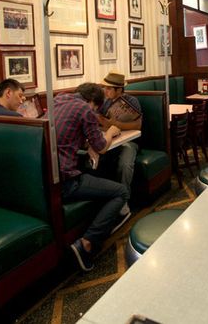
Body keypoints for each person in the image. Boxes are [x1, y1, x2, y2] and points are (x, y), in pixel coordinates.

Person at [54, 82, 129, 272]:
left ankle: (100, 222)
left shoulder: (57, 100)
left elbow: (67, 134)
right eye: (96, 108)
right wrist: (111, 131)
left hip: (43, 178)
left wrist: (87, 143)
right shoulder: (84, 109)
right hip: (65, 182)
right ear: (93, 103)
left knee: (95, 174)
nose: (95, 112)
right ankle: (86, 243)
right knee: (121, 191)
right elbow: (102, 147)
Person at [97, 71, 142, 218]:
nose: (105, 91)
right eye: (105, 88)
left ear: (119, 89)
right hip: (110, 141)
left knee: (125, 164)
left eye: (109, 88)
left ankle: (124, 201)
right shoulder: (104, 102)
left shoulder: (132, 101)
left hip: (129, 142)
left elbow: (138, 125)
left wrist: (114, 124)